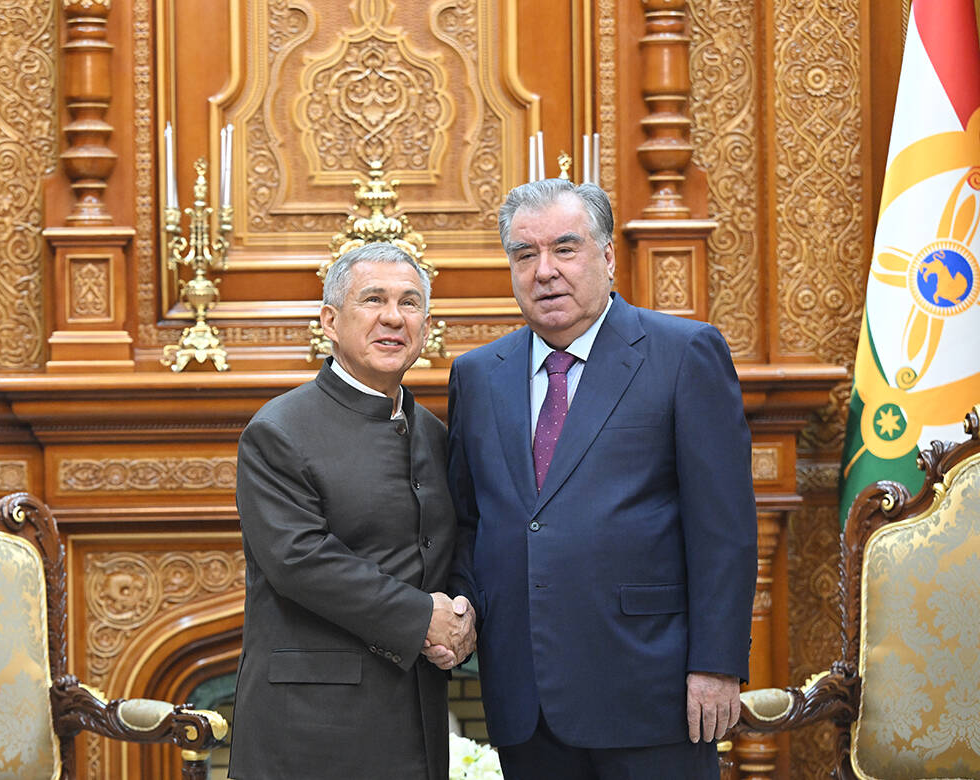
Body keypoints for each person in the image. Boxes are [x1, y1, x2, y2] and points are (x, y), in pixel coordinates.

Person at [443, 179, 757, 779]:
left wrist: (717, 664)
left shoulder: (683, 353)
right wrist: (461, 609)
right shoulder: (478, 375)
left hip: (652, 690)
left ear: (608, 256)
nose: (545, 271)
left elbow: (724, 528)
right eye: (525, 254)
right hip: (526, 698)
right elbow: (468, 520)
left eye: (565, 248)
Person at [229, 242, 475, 780]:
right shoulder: (278, 430)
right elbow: (301, 561)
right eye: (373, 299)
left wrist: (462, 613)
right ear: (330, 321)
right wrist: (422, 618)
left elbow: (456, 542)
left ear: (425, 327)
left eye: (409, 303)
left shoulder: (434, 433)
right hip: (311, 729)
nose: (393, 317)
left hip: (417, 719)